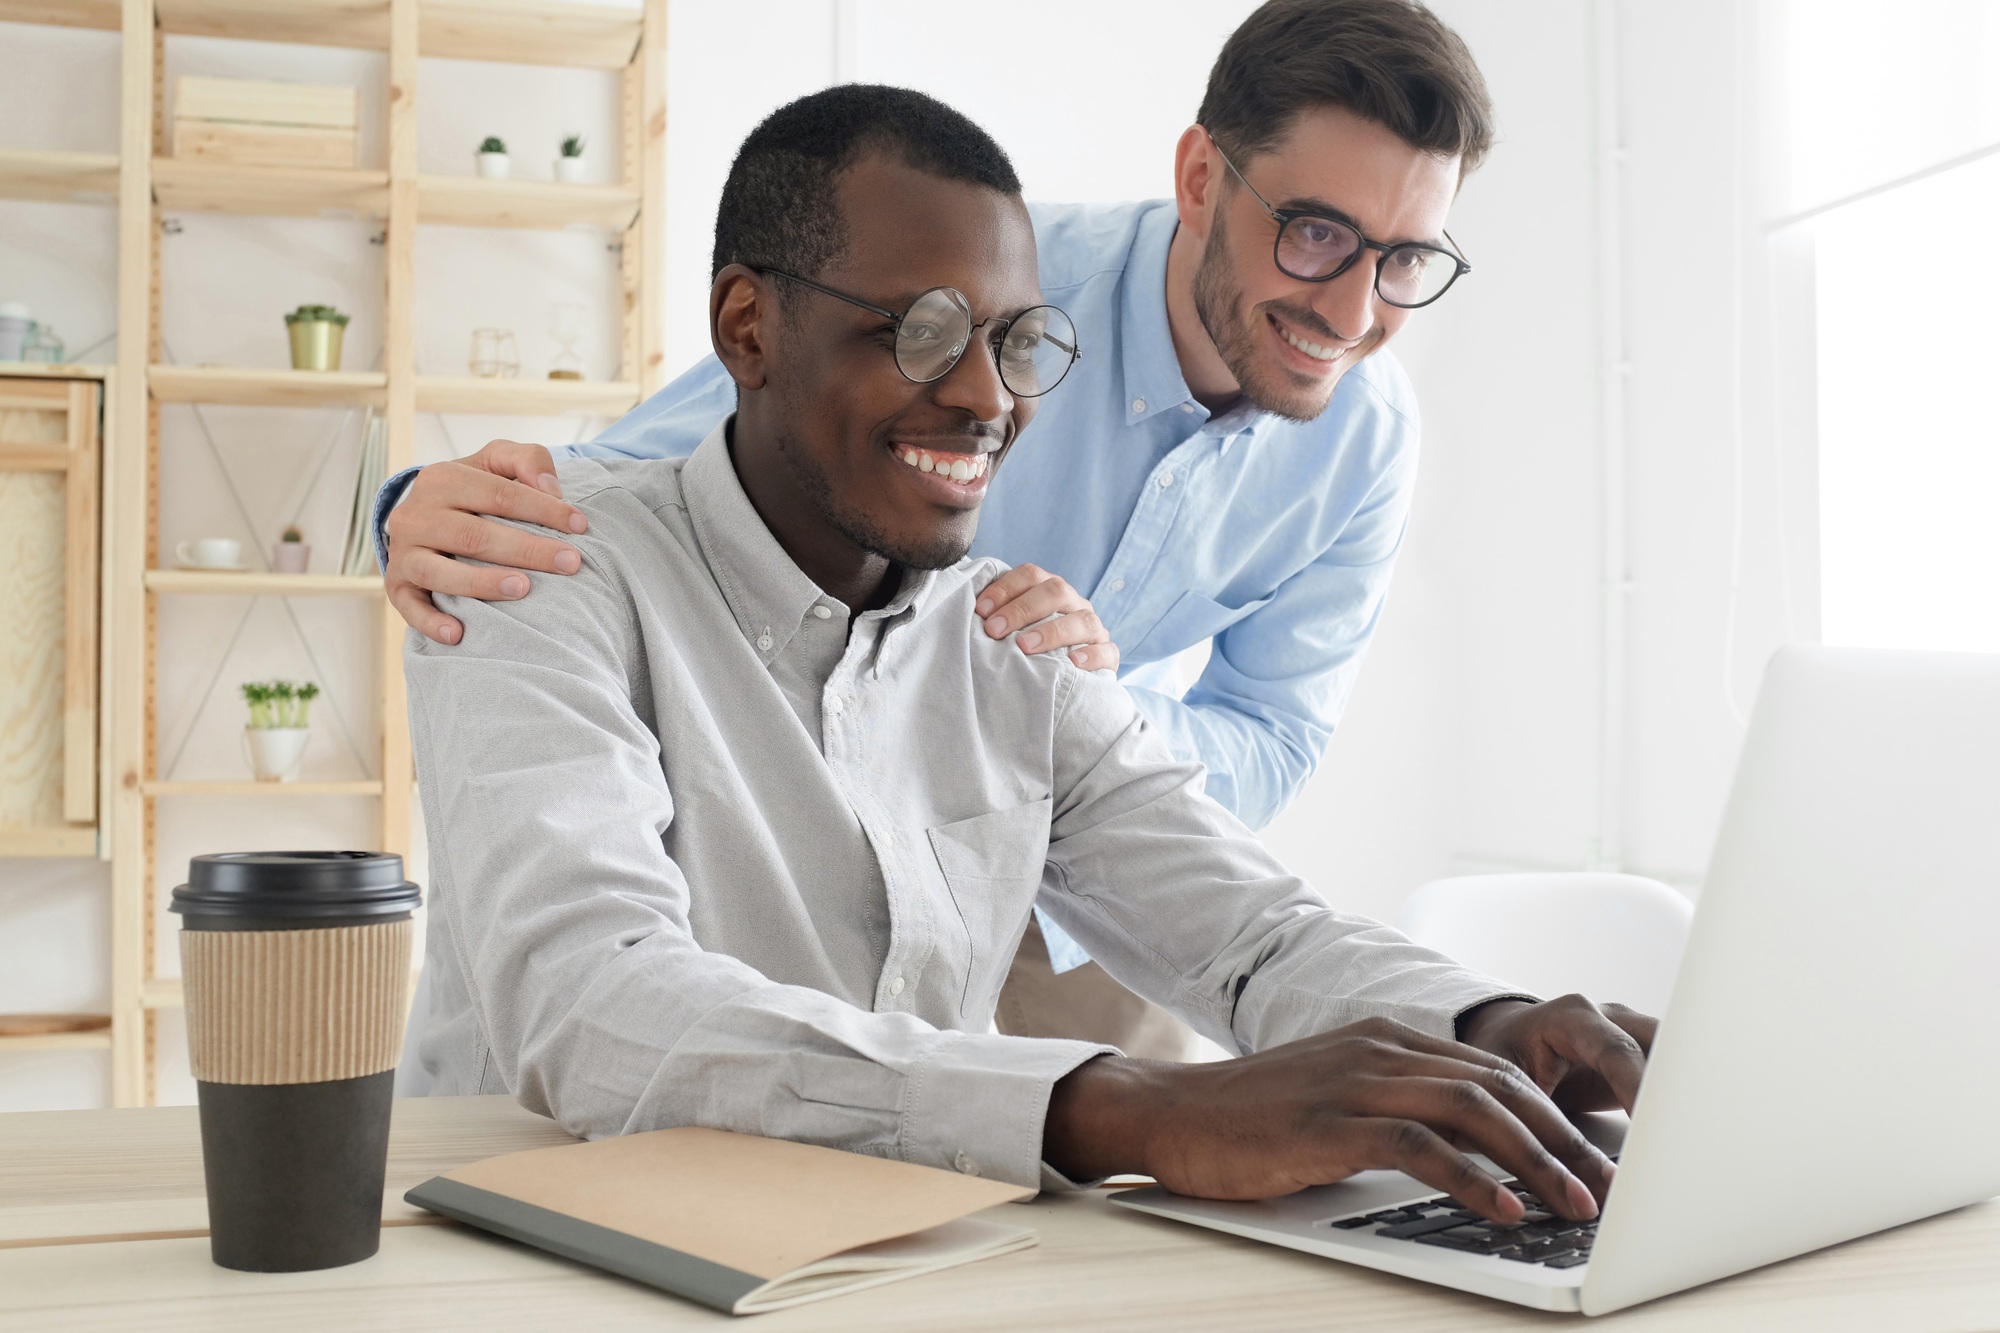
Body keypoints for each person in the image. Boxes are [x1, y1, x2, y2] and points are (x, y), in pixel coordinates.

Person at [405, 84, 1651, 1216]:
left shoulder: (1012, 635)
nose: (987, 399)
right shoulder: (533, 571)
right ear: (748, 328)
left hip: (891, 1248)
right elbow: (588, 1005)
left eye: (1014, 344)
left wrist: (1489, 1022)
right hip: (541, 1245)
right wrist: (1116, 1107)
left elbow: (1247, 934)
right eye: (922, 333)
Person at [380, 0, 1492, 1059]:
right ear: (1201, 177)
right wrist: (414, 508)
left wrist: (1067, 710)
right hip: (819, 835)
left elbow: (1272, 740)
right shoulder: (981, 271)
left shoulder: (1366, 438)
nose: (1351, 313)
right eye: (1311, 235)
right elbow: (650, 479)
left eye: (1404, 261)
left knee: (1118, 1188)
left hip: (1086, 891)